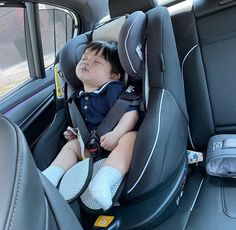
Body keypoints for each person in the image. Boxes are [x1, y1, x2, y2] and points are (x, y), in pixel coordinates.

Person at [43, 40, 139, 210]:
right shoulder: (77, 97)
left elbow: (131, 114)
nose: (86, 62)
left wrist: (117, 134)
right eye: (84, 58)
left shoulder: (112, 89)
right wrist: (76, 134)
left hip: (115, 142)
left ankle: (105, 180)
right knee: (71, 146)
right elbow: (86, 125)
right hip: (90, 148)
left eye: (97, 62)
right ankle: (49, 177)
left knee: (132, 137)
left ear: (113, 75)